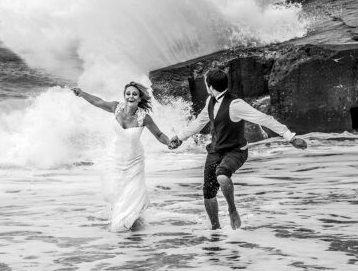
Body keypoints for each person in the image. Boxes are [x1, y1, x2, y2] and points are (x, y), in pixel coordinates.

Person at [170, 69, 307, 230]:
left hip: (236, 151)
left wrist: (290, 137)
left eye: (206, 83)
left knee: (221, 176)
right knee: (208, 193)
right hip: (215, 150)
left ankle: (232, 209)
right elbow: (199, 122)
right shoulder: (210, 101)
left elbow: (264, 119)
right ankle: (216, 230)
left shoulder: (235, 104)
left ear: (210, 86)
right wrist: (179, 137)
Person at [72, 81, 172, 232]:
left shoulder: (144, 117)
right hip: (115, 157)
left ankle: (127, 223)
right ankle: (124, 218)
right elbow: (97, 101)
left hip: (134, 161)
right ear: (124, 96)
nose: (130, 96)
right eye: (128, 93)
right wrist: (82, 93)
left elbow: (159, 134)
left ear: (139, 98)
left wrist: (169, 143)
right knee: (115, 191)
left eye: (134, 94)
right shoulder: (116, 108)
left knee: (132, 193)